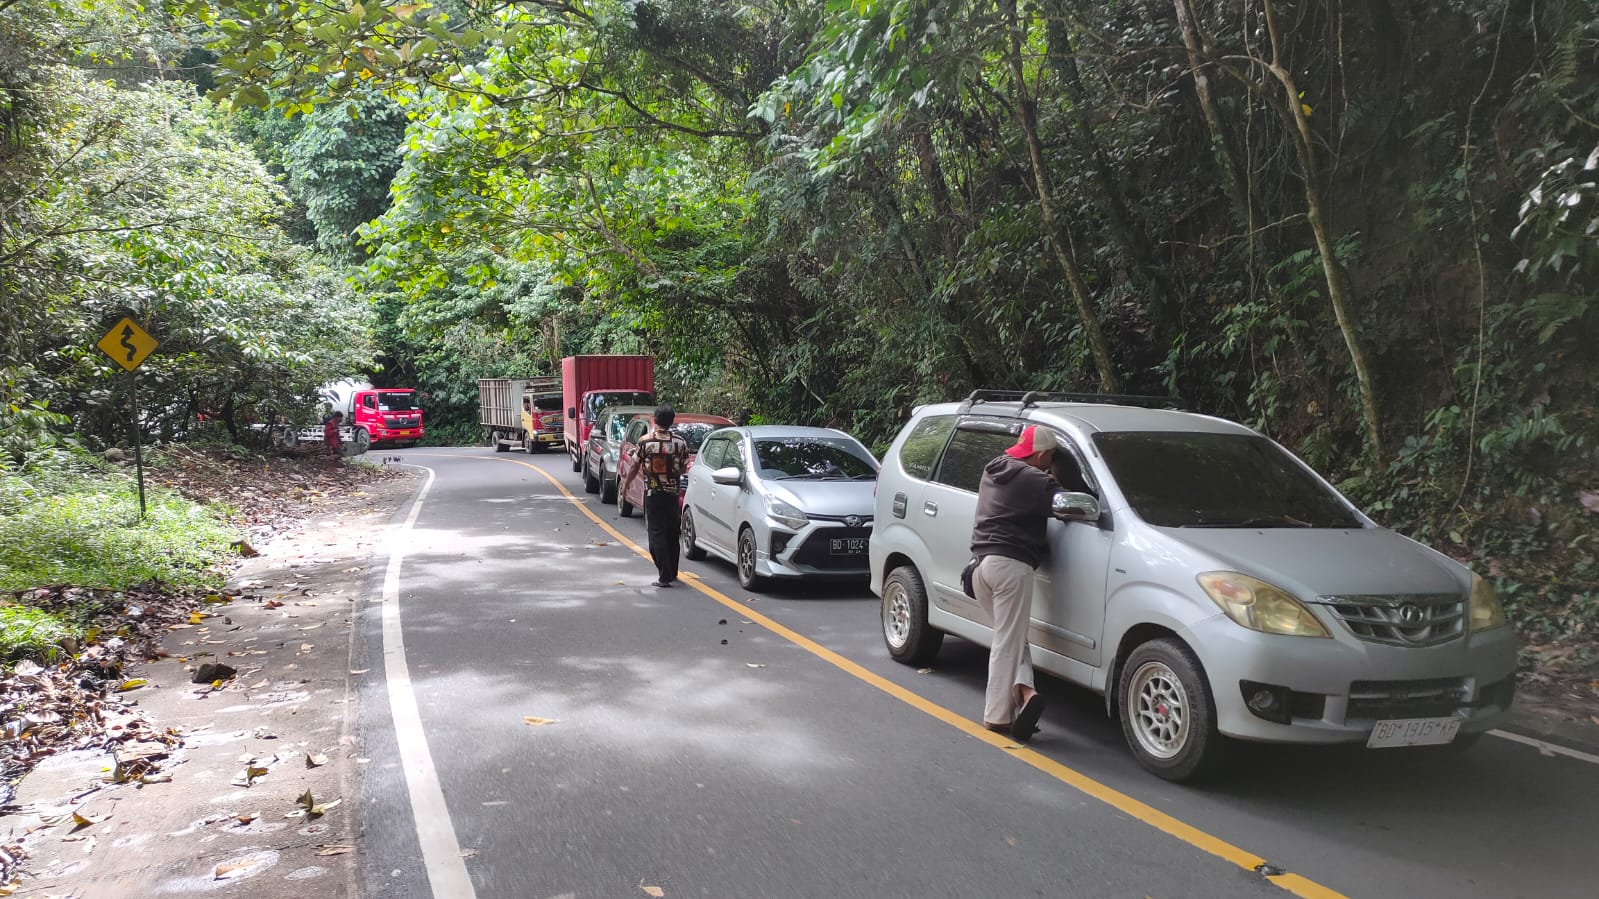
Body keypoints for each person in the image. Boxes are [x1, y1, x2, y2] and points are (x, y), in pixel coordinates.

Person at [970, 424, 1060, 742]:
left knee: (1012, 636)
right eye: (1049, 458)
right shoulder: (1033, 479)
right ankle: (997, 716)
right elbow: (1063, 501)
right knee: (1008, 642)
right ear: (1042, 455)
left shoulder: (993, 469)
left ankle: (1025, 692)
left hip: (981, 569)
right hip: (1010, 568)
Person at [630, 405, 690, 587]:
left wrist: (626, 486)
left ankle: (664, 575)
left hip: (653, 493)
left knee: (656, 533)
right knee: (672, 533)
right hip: (672, 494)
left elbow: (634, 466)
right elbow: (683, 468)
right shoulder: (680, 443)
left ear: (655, 420)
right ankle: (672, 572)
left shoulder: (645, 441)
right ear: (672, 421)